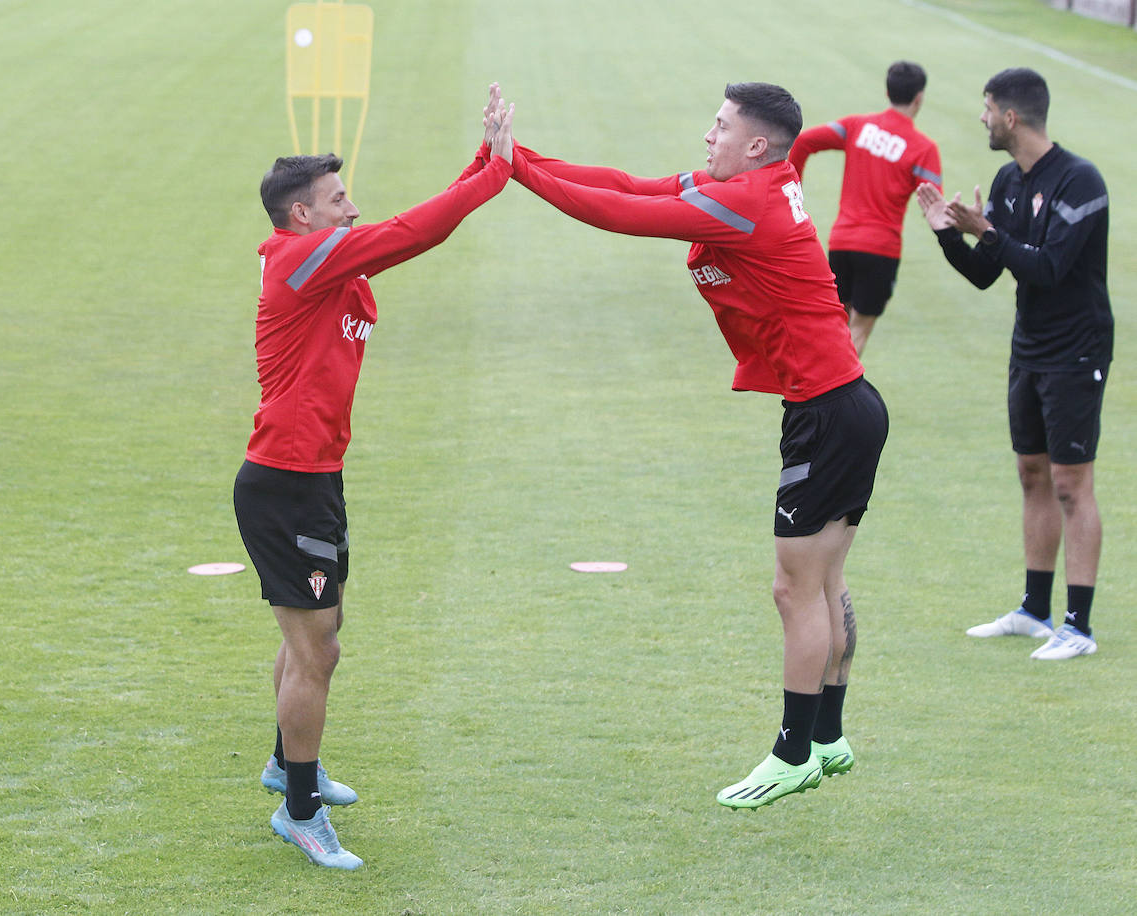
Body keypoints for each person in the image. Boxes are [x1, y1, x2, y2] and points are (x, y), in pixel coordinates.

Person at [499, 82, 888, 809]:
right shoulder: (750, 183)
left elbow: (622, 214)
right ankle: (828, 737)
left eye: (720, 127)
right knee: (824, 582)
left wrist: (513, 173)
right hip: (846, 405)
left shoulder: (748, 201)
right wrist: (517, 155)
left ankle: (793, 752)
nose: (707, 137)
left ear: (756, 145)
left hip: (830, 414)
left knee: (794, 587)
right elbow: (625, 183)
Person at [233, 95, 515, 869]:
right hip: (286, 483)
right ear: (301, 215)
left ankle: (288, 762)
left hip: (311, 476)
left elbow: (396, 232)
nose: (353, 208)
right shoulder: (302, 258)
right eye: (337, 201)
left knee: (312, 640)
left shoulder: (321, 253)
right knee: (317, 649)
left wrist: (483, 158)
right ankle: (298, 810)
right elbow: (410, 232)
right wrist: (496, 177)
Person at [917, 68, 1109, 661]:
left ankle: (1077, 626)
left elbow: (1049, 268)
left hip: (1077, 347)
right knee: (1031, 473)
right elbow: (985, 274)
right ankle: (1034, 611)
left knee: (1070, 482)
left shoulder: (1081, 182)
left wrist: (989, 233)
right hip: (1030, 346)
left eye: (987, 108)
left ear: (1011, 117)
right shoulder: (1007, 180)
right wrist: (950, 235)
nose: (981, 117)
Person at [788, 61, 942, 356]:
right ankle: (837, 395)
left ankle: (819, 388)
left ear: (887, 91)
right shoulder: (923, 148)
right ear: (919, 97)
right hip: (881, 249)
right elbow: (934, 202)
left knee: (835, 324)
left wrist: (793, 191)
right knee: (858, 329)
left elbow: (804, 141)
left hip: (841, 243)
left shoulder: (857, 127)